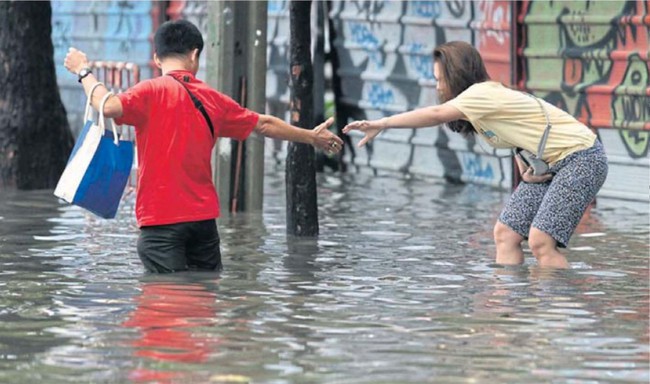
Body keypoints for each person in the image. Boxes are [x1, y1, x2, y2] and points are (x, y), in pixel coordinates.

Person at [63, 20, 343, 273]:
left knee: (164, 310)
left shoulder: (149, 91)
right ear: (195, 55)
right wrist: (311, 136)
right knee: (203, 304)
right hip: (203, 223)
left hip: (160, 223)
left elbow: (107, 105)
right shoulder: (213, 99)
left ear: (156, 58)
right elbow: (265, 124)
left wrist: (84, 71)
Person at [343, 41, 608, 269]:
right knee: (506, 234)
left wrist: (382, 123)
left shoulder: (479, 95)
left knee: (541, 241)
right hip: (551, 164)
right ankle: (508, 313)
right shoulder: (481, 101)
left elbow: (435, 115)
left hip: (582, 157)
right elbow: (519, 129)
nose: (437, 88)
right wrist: (524, 164)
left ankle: (558, 314)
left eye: (439, 80)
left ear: (455, 75)